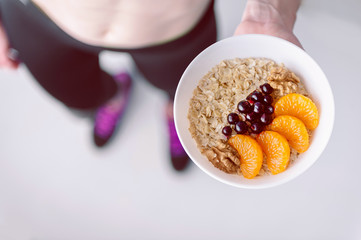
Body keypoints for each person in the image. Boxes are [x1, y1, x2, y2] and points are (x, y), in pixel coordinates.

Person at [0, 0, 302, 171]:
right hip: (40, 17)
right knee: (78, 97)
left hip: (173, 33)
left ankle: (173, 110)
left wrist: (269, 10)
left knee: (184, 98)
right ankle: (113, 97)